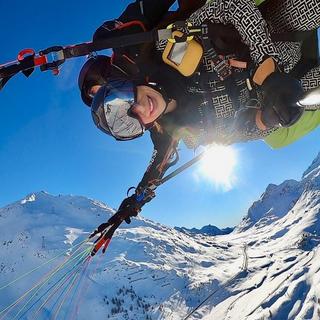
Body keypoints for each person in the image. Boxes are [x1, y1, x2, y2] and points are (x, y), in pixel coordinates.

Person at [79, 0, 320, 220]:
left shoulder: (170, 51)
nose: (141, 109)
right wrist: (268, 121)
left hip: (275, 29)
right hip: (293, 83)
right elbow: (241, 131)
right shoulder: (196, 128)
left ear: (127, 82)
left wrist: (268, 70)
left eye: (126, 99)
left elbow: (231, 8)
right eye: (130, 123)